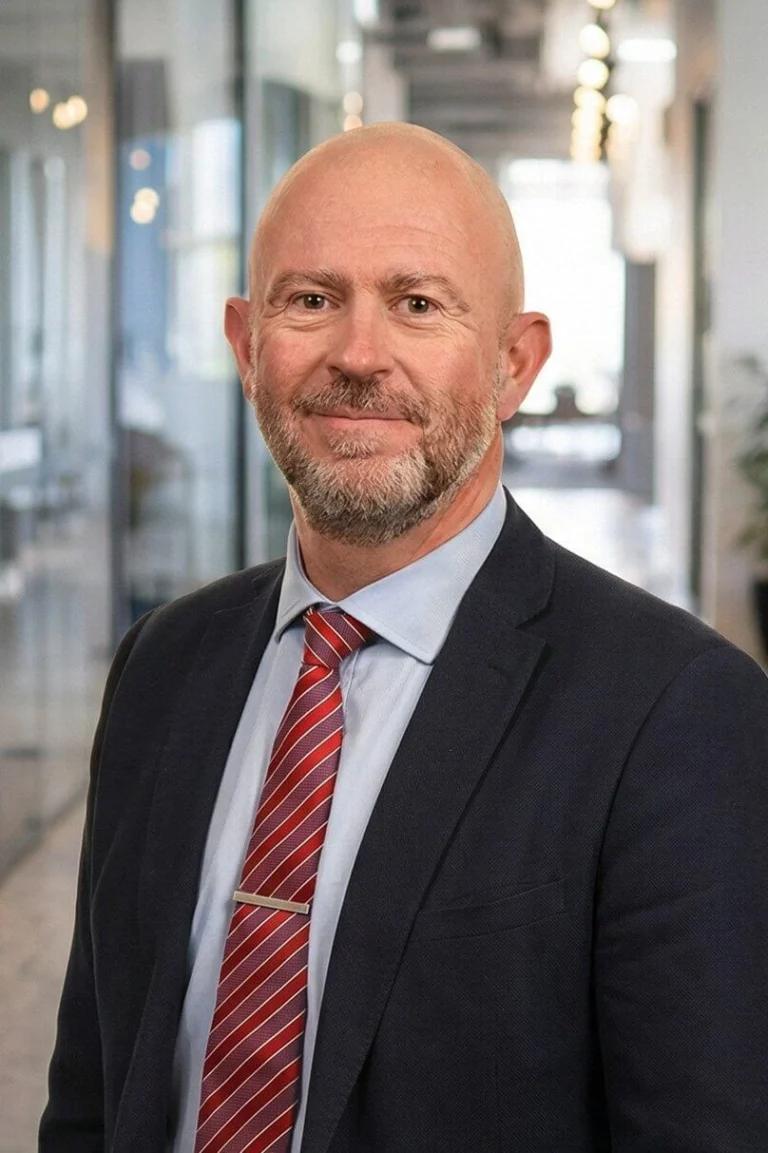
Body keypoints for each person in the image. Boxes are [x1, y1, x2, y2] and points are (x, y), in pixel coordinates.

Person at [41, 123, 768, 1153]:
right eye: (311, 300)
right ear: (248, 347)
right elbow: (90, 1092)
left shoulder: (677, 711)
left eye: (418, 304)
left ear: (515, 363)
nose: (358, 354)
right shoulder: (163, 664)